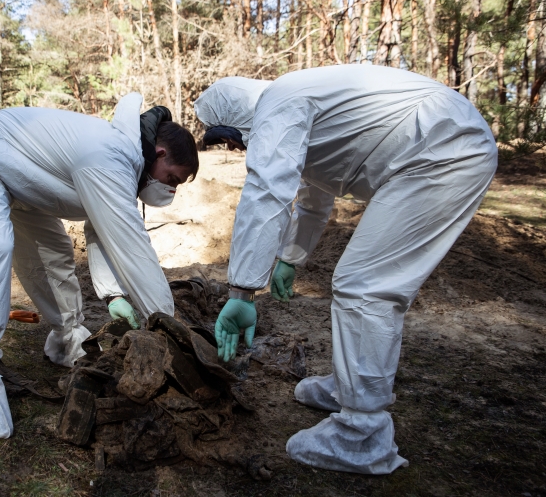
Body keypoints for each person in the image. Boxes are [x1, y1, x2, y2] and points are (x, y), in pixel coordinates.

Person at [194, 65, 497, 474]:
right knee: (361, 282)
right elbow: (312, 194)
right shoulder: (297, 103)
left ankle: (362, 434)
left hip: (442, 150)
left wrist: (242, 292)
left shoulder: (278, 103)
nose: (235, 148)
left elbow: (267, 189)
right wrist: (289, 257)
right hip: (436, 146)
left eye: (232, 139)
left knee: (364, 286)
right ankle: (349, 385)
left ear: (239, 118)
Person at [0, 93, 199, 438]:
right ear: (160, 153)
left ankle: (67, 339)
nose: (169, 190)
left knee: (53, 252)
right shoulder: (112, 155)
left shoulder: (124, 162)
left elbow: (102, 229)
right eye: (173, 179)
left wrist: (114, 294)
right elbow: (133, 247)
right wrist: (169, 329)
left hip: (18, 177)